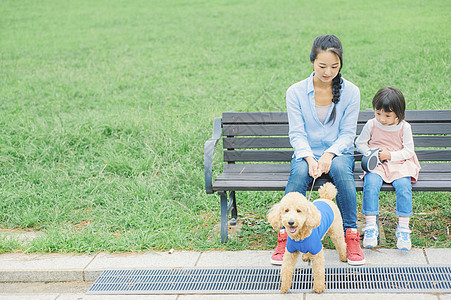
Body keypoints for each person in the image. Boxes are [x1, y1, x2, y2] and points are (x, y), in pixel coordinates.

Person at [270, 35, 365, 266]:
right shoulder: (295, 92)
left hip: (338, 152)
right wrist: (310, 157)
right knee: (300, 173)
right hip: (306, 153)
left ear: (341, 64)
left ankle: (350, 234)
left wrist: (329, 154)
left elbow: (346, 134)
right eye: (322, 66)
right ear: (312, 62)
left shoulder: (351, 92)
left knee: (343, 172)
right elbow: (297, 134)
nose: (328, 71)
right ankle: (286, 236)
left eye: (334, 66)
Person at [355, 86, 421, 250]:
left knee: (404, 187)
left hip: (399, 163)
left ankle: (403, 229)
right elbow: (360, 143)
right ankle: (371, 227)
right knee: (370, 184)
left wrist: (390, 155)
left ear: (398, 113)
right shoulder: (372, 124)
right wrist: (372, 153)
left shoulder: (404, 127)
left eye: (387, 115)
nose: (382, 119)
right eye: (378, 113)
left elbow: (408, 151)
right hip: (377, 164)